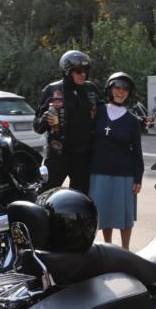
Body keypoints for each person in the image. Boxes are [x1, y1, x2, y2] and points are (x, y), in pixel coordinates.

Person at [88, 72, 144, 250]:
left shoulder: (132, 121)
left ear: (129, 93)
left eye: (125, 89)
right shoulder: (98, 111)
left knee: (124, 216)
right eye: (117, 88)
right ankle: (108, 248)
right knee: (104, 214)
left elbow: (137, 151)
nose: (120, 92)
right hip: (98, 172)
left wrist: (138, 178)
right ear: (110, 89)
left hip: (124, 174)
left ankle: (126, 251)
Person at [33, 50, 101, 194]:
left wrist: (136, 121)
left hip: (83, 158)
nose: (83, 74)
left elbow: (106, 115)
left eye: (86, 70)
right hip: (58, 156)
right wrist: (45, 118)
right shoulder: (51, 90)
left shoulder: (91, 89)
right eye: (79, 71)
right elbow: (37, 126)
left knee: (81, 198)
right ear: (67, 72)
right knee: (46, 194)